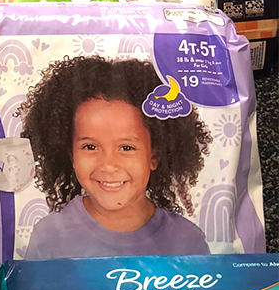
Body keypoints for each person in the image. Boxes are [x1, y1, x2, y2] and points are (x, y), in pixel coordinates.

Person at [19, 55, 211, 259]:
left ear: (154, 156)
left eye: (127, 147)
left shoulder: (187, 241)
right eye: (90, 146)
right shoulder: (50, 238)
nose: (108, 165)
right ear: (71, 154)